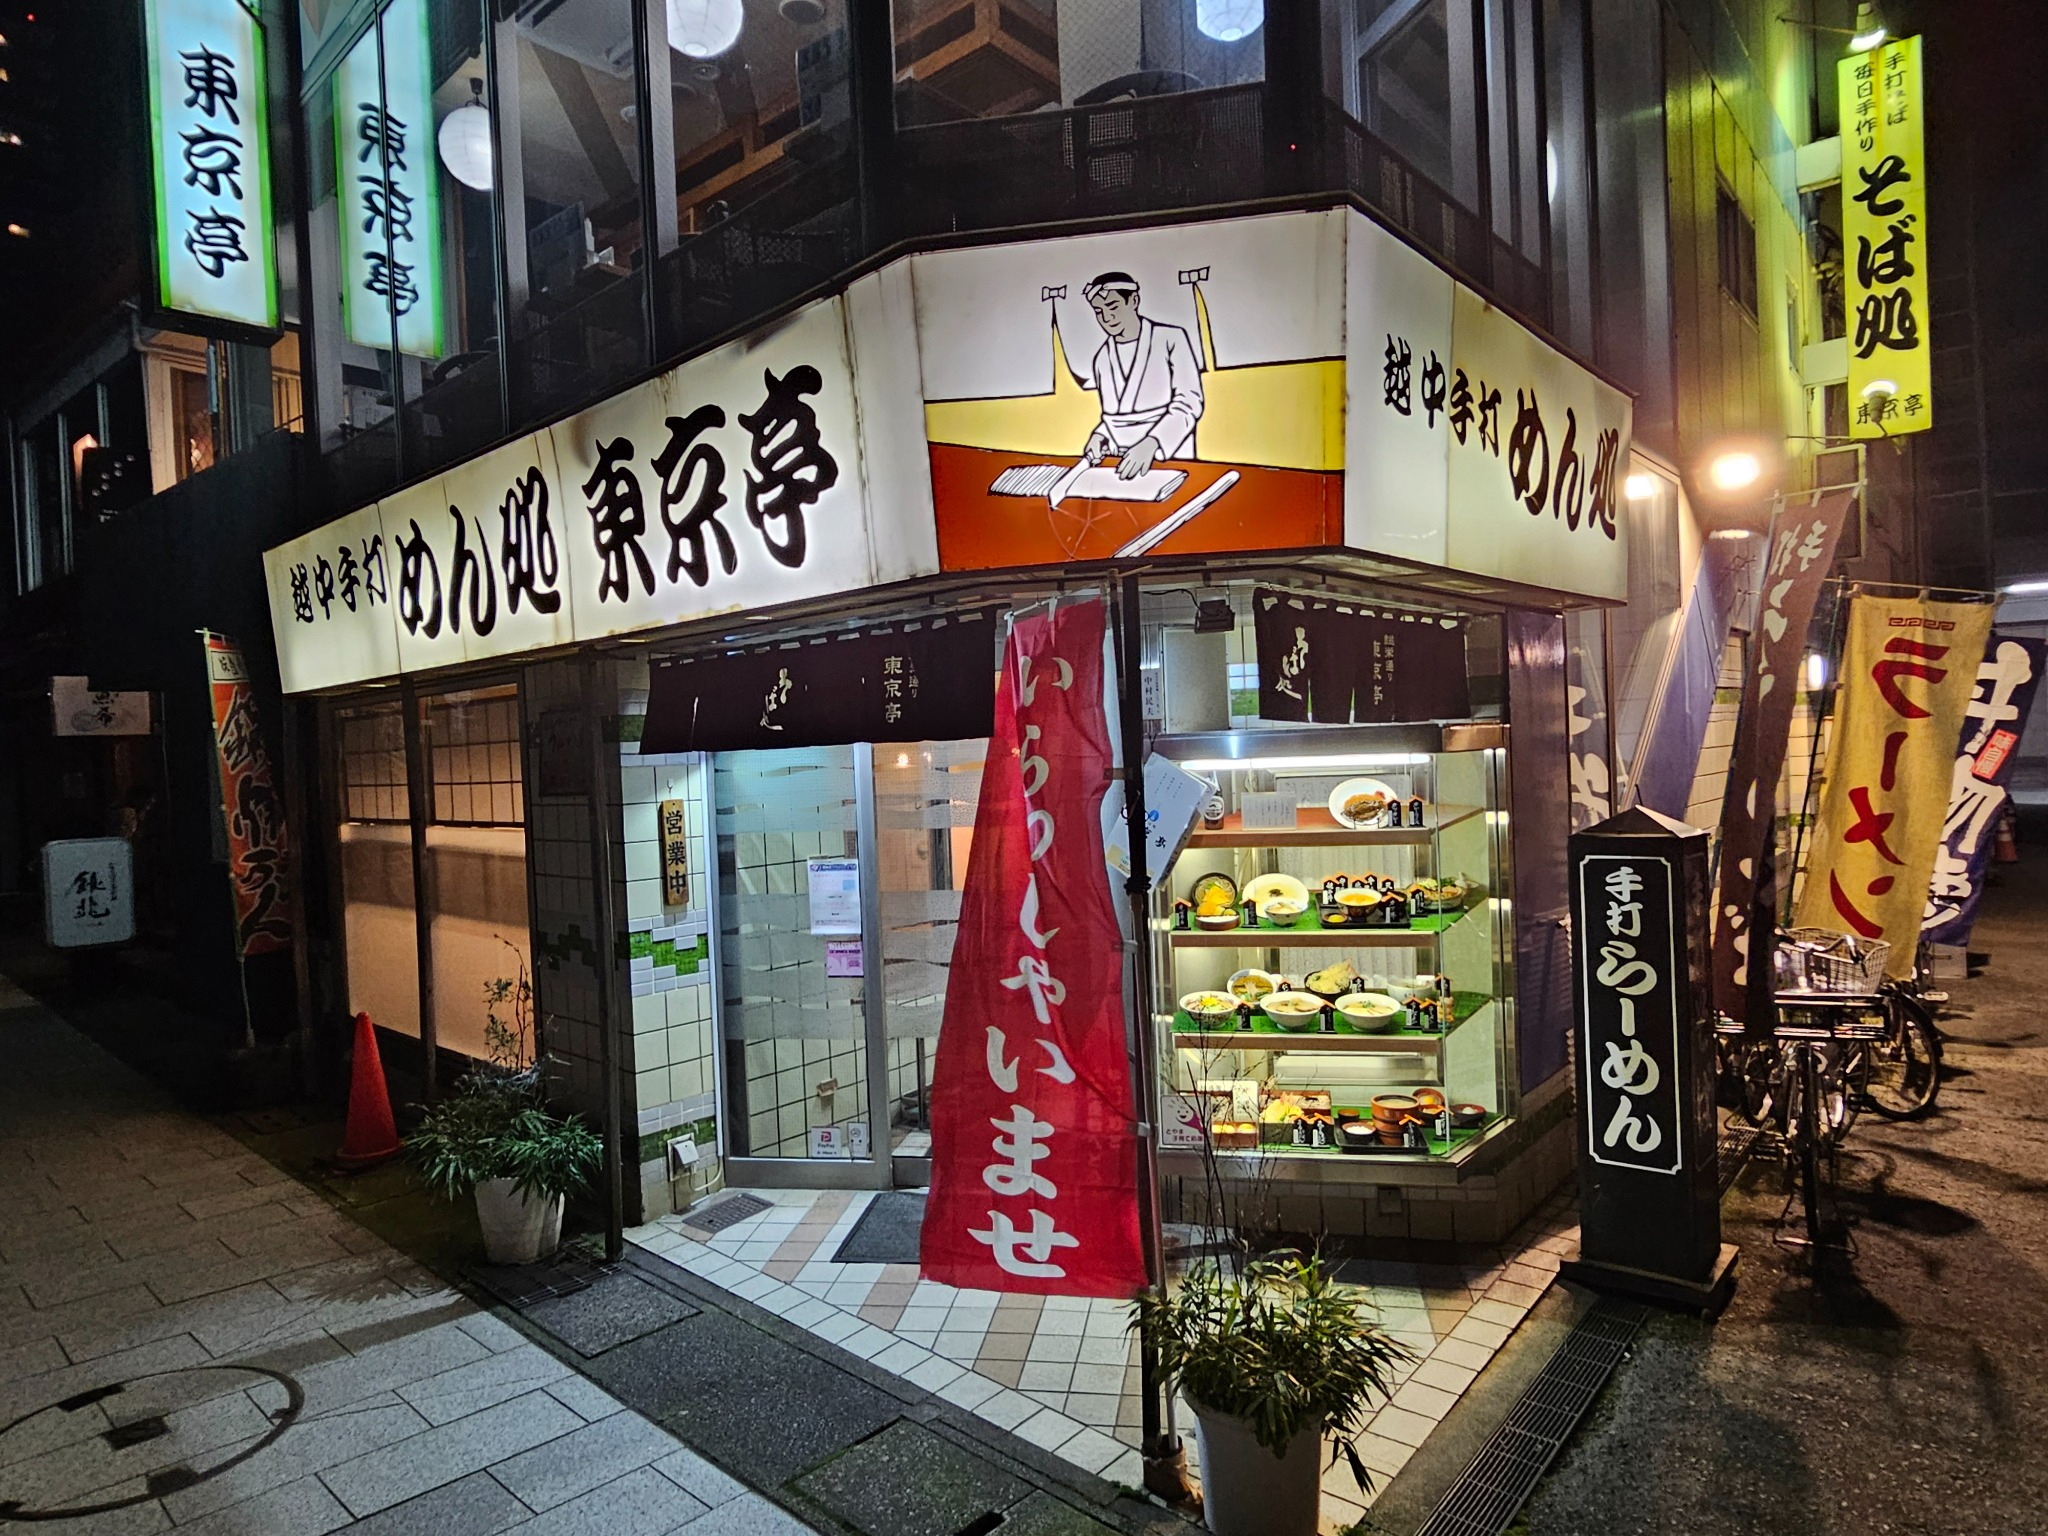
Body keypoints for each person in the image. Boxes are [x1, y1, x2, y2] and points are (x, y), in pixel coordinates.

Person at [1078, 271, 1205, 479]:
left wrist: (1152, 442)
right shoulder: (1102, 358)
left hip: (1169, 456)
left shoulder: (1171, 338)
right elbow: (1117, 418)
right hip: (1122, 463)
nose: (1107, 318)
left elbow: (1189, 402)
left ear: (1134, 301)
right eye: (1099, 311)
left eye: (1113, 307)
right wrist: (1100, 435)